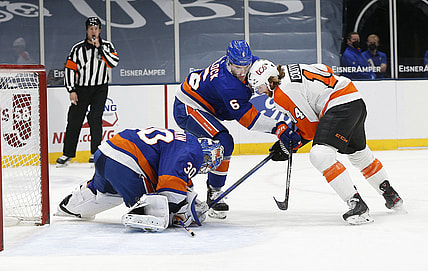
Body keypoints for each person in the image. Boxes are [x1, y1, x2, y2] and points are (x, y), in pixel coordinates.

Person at [247, 59, 403, 225]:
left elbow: (311, 128)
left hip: (339, 107)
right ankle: (391, 195)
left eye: (259, 86)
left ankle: (357, 205)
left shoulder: (281, 93)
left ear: (268, 81)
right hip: (355, 100)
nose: (259, 91)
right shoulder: (288, 68)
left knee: (320, 155)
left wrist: (290, 147)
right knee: (358, 154)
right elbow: (324, 69)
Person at [173, 40, 300, 219]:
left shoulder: (252, 64)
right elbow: (248, 119)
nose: (242, 72)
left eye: (245, 66)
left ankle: (207, 187)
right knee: (224, 142)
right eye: (237, 67)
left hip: (206, 104)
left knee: (223, 142)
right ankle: (214, 193)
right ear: (228, 61)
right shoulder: (227, 84)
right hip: (188, 106)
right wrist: (278, 127)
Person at [55, 127, 225, 232]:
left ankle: (70, 207)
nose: (205, 166)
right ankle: (143, 213)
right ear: (205, 153)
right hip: (127, 163)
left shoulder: (182, 141)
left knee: (103, 194)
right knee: (162, 208)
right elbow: (170, 185)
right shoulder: (193, 152)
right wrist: (184, 213)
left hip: (107, 153)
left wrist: (191, 201)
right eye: (208, 161)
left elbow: (180, 180)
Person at [56, 17, 119, 167]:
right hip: (81, 89)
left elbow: (113, 63)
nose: (93, 31)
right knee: (74, 120)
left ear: (100, 30)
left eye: (96, 28)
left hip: (100, 88)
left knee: (95, 119)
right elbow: (69, 70)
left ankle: (95, 153)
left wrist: (100, 48)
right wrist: (71, 90)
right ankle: (68, 154)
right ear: (86, 30)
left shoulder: (107, 46)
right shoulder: (77, 49)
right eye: (91, 28)